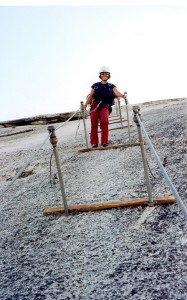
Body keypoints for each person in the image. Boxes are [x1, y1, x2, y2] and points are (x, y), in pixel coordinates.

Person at [84, 66, 124, 148]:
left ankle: (104, 141)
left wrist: (123, 96)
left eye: (106, 74)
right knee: (94, 123)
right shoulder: (96, 85)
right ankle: (94, 142)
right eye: (102, 74)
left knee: (104, 122)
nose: (104, 75)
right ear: (100, 75)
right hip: (95, 106)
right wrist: (85, 105)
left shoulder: (111, 86)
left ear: (108, 75)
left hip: (105, 106)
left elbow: (116, 93)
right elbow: (90, 96)